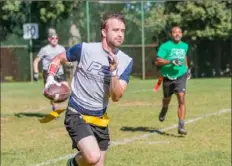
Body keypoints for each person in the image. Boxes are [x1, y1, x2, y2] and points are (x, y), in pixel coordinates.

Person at [44, 13, 133, 166]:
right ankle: (72, 163)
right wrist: (50, 79)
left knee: (97, 163)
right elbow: (58, 59)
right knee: (93, 157)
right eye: (116, 30)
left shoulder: (126, 61)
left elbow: (116, 96)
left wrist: (113, 72)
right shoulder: (85, 49)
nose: (120, 34)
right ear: (104, 32)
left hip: (100, 118)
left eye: (123, 31)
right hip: (77, 113)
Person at [154, 25, 189, 135]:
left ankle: (181, 126)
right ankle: (164, 109)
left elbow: (184, 57)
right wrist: (171, 61)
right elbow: (158, 61)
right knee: (166, 99)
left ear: (182, 34)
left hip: (180, 75)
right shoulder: (165, 46)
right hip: (168, 76)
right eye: (175, 32)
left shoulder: (185, 46)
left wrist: (187, 69)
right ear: (171, 34)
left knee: (181, 98)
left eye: (179, 32)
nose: (177, 34)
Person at [33, 28, 69, 111]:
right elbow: (36, 61)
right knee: (52, 92)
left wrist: (68, 63)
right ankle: (55, 107)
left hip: (60, 72)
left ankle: (66, 106)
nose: (55, 40)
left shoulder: (61, 48)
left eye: (57, 38)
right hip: (48, 73)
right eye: (53, 38)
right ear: (49, 39)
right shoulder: (44, 49)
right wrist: (36, 72)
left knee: (66, 90)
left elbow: (64, 60)